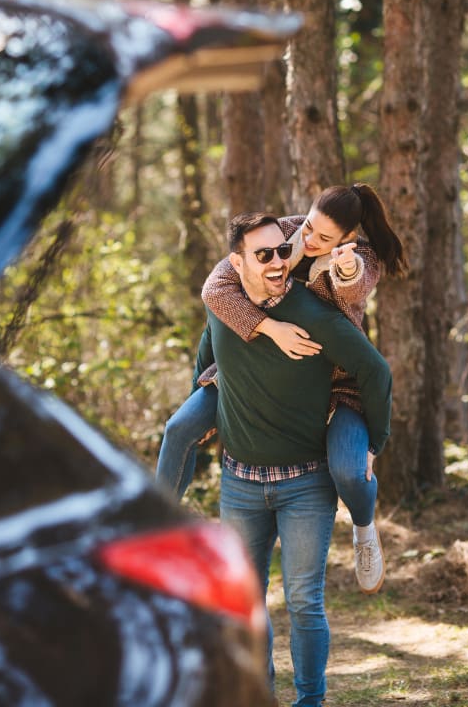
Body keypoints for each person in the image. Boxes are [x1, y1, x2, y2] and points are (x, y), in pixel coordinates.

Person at [155, 183, 408, 594]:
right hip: (252, 372)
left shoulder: (360, 258)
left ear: (346, 239)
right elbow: (215, 291)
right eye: (309, 226)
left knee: (349, 471)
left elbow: (353, 286)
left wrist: (373, 444)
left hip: (333, 382)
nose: (308, 240)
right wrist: (270, 329)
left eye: (324, 238)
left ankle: (364, 530)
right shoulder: (283, 235)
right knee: (179, 428)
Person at [196, 211, 392, 707]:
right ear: (236, 262)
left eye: (284, 250)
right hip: (240, 483)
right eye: (264, 254)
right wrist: (206, 403)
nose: (279, 260)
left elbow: (374, 369)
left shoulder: (313, 311)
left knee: (304, 603)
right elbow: (205, 356)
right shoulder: (223, 304)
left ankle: (311, 701)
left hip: (306, 483)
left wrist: (375, 443)